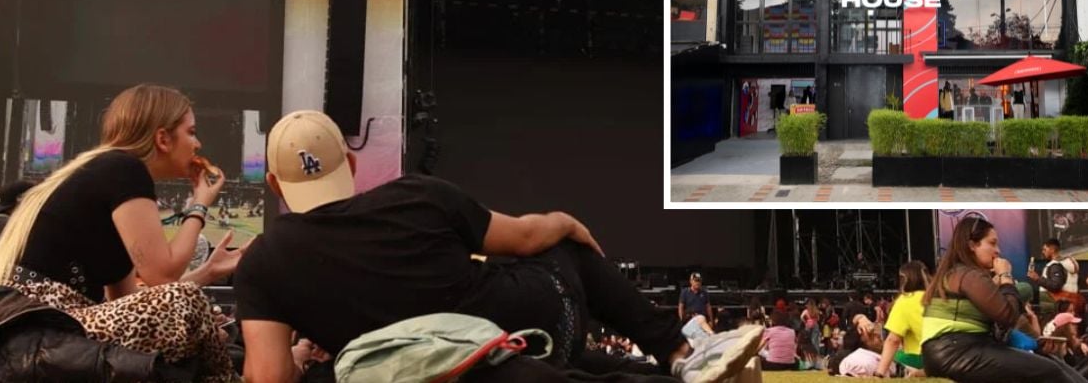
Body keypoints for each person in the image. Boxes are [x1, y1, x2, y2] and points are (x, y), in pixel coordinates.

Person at [233, 110, 763, 383]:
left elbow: (269, 376)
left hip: (460, 362)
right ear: (349, 166)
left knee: (548, 368)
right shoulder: (418, 193)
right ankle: (679, 351)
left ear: (276, 186)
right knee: (563, 260)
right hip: (540, 317)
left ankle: (679, 360)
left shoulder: (263, 264)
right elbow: (530, 236)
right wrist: (566, 221)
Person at [0, 84, 244, 382]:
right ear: (162, 139)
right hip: (46, 326)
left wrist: (207, 272)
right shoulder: (124, 169)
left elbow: (133, 300)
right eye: (191, 132)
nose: (197, 144)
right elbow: (164, 277)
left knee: (187, 307)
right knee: (186, 302)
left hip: (47, 327)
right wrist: (199, 205)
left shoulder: (103, 173)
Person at [920, 216, 1088, 382]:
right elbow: (1008, 315)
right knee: (1049, 371)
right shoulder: (967, 274)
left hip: (958, 349)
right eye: (992, 243)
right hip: (955, 352)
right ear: (972, 245)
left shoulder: (962, 273)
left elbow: (999, 326)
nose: (998, 250)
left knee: (1052, 363)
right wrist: (1005, 276)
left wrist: (1036, 345)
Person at [876, 260, 928, 377]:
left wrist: (879, 374)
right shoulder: (938, 296)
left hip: (922, 357)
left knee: (891, 356)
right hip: (949, 355)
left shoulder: (906, 301)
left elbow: (892, 341)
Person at [1028, 238, 1086, 317]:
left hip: (1057, 307)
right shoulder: (1064, 264)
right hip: (1067, 304)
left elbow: (1056, 286)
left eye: (1045, 249)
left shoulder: (1055, 265)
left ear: (1052, 250)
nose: (1043, 252)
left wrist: (1037, 278)